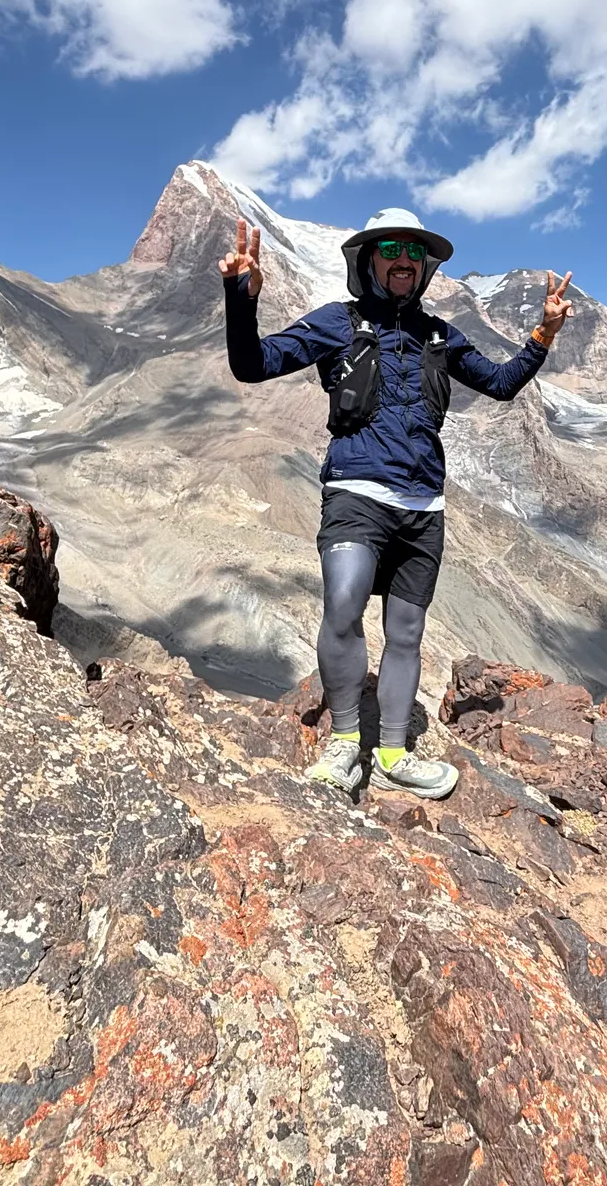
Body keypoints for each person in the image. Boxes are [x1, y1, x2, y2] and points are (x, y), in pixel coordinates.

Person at [220, 206, 572, 799]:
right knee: (342, 604)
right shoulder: (339, 322)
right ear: (370, 260)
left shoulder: (440, 336)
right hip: (357, 491)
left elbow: (503, 383)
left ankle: (391, 753)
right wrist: (240, 298)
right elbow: (251, 364)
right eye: (391, 249)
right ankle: (343, 742)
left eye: (414, 251)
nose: (403, 260)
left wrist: (543, 334)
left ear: (424, 265)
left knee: (406, 633)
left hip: (424, 505)